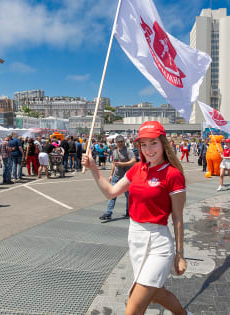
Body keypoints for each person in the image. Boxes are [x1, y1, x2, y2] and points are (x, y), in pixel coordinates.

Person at [82, 121, 191, 315]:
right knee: (156, 293)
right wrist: (93, 168)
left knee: (134, 306)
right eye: (143, 144)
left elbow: (177, 217)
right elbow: (111, 192)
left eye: (153, 143)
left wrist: (179, 254)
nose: (148, 149)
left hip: (159, 242)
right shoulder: (137, 169)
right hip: (136, 238)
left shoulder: (173, 175)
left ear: (163, 144)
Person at [99, 135, 136, 220]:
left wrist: (123, 164)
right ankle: (108, 213)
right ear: (116, 142)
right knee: (112, 194)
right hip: (116, 176)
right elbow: (114, 164)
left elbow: (133, 161)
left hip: (126, 177)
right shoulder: (115, 151)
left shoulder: (128, 151)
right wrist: (111, 175)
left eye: (121, 141)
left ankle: (128, 212)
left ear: (124, 142)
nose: (120, 143)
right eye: (118, 142)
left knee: (128, 196)